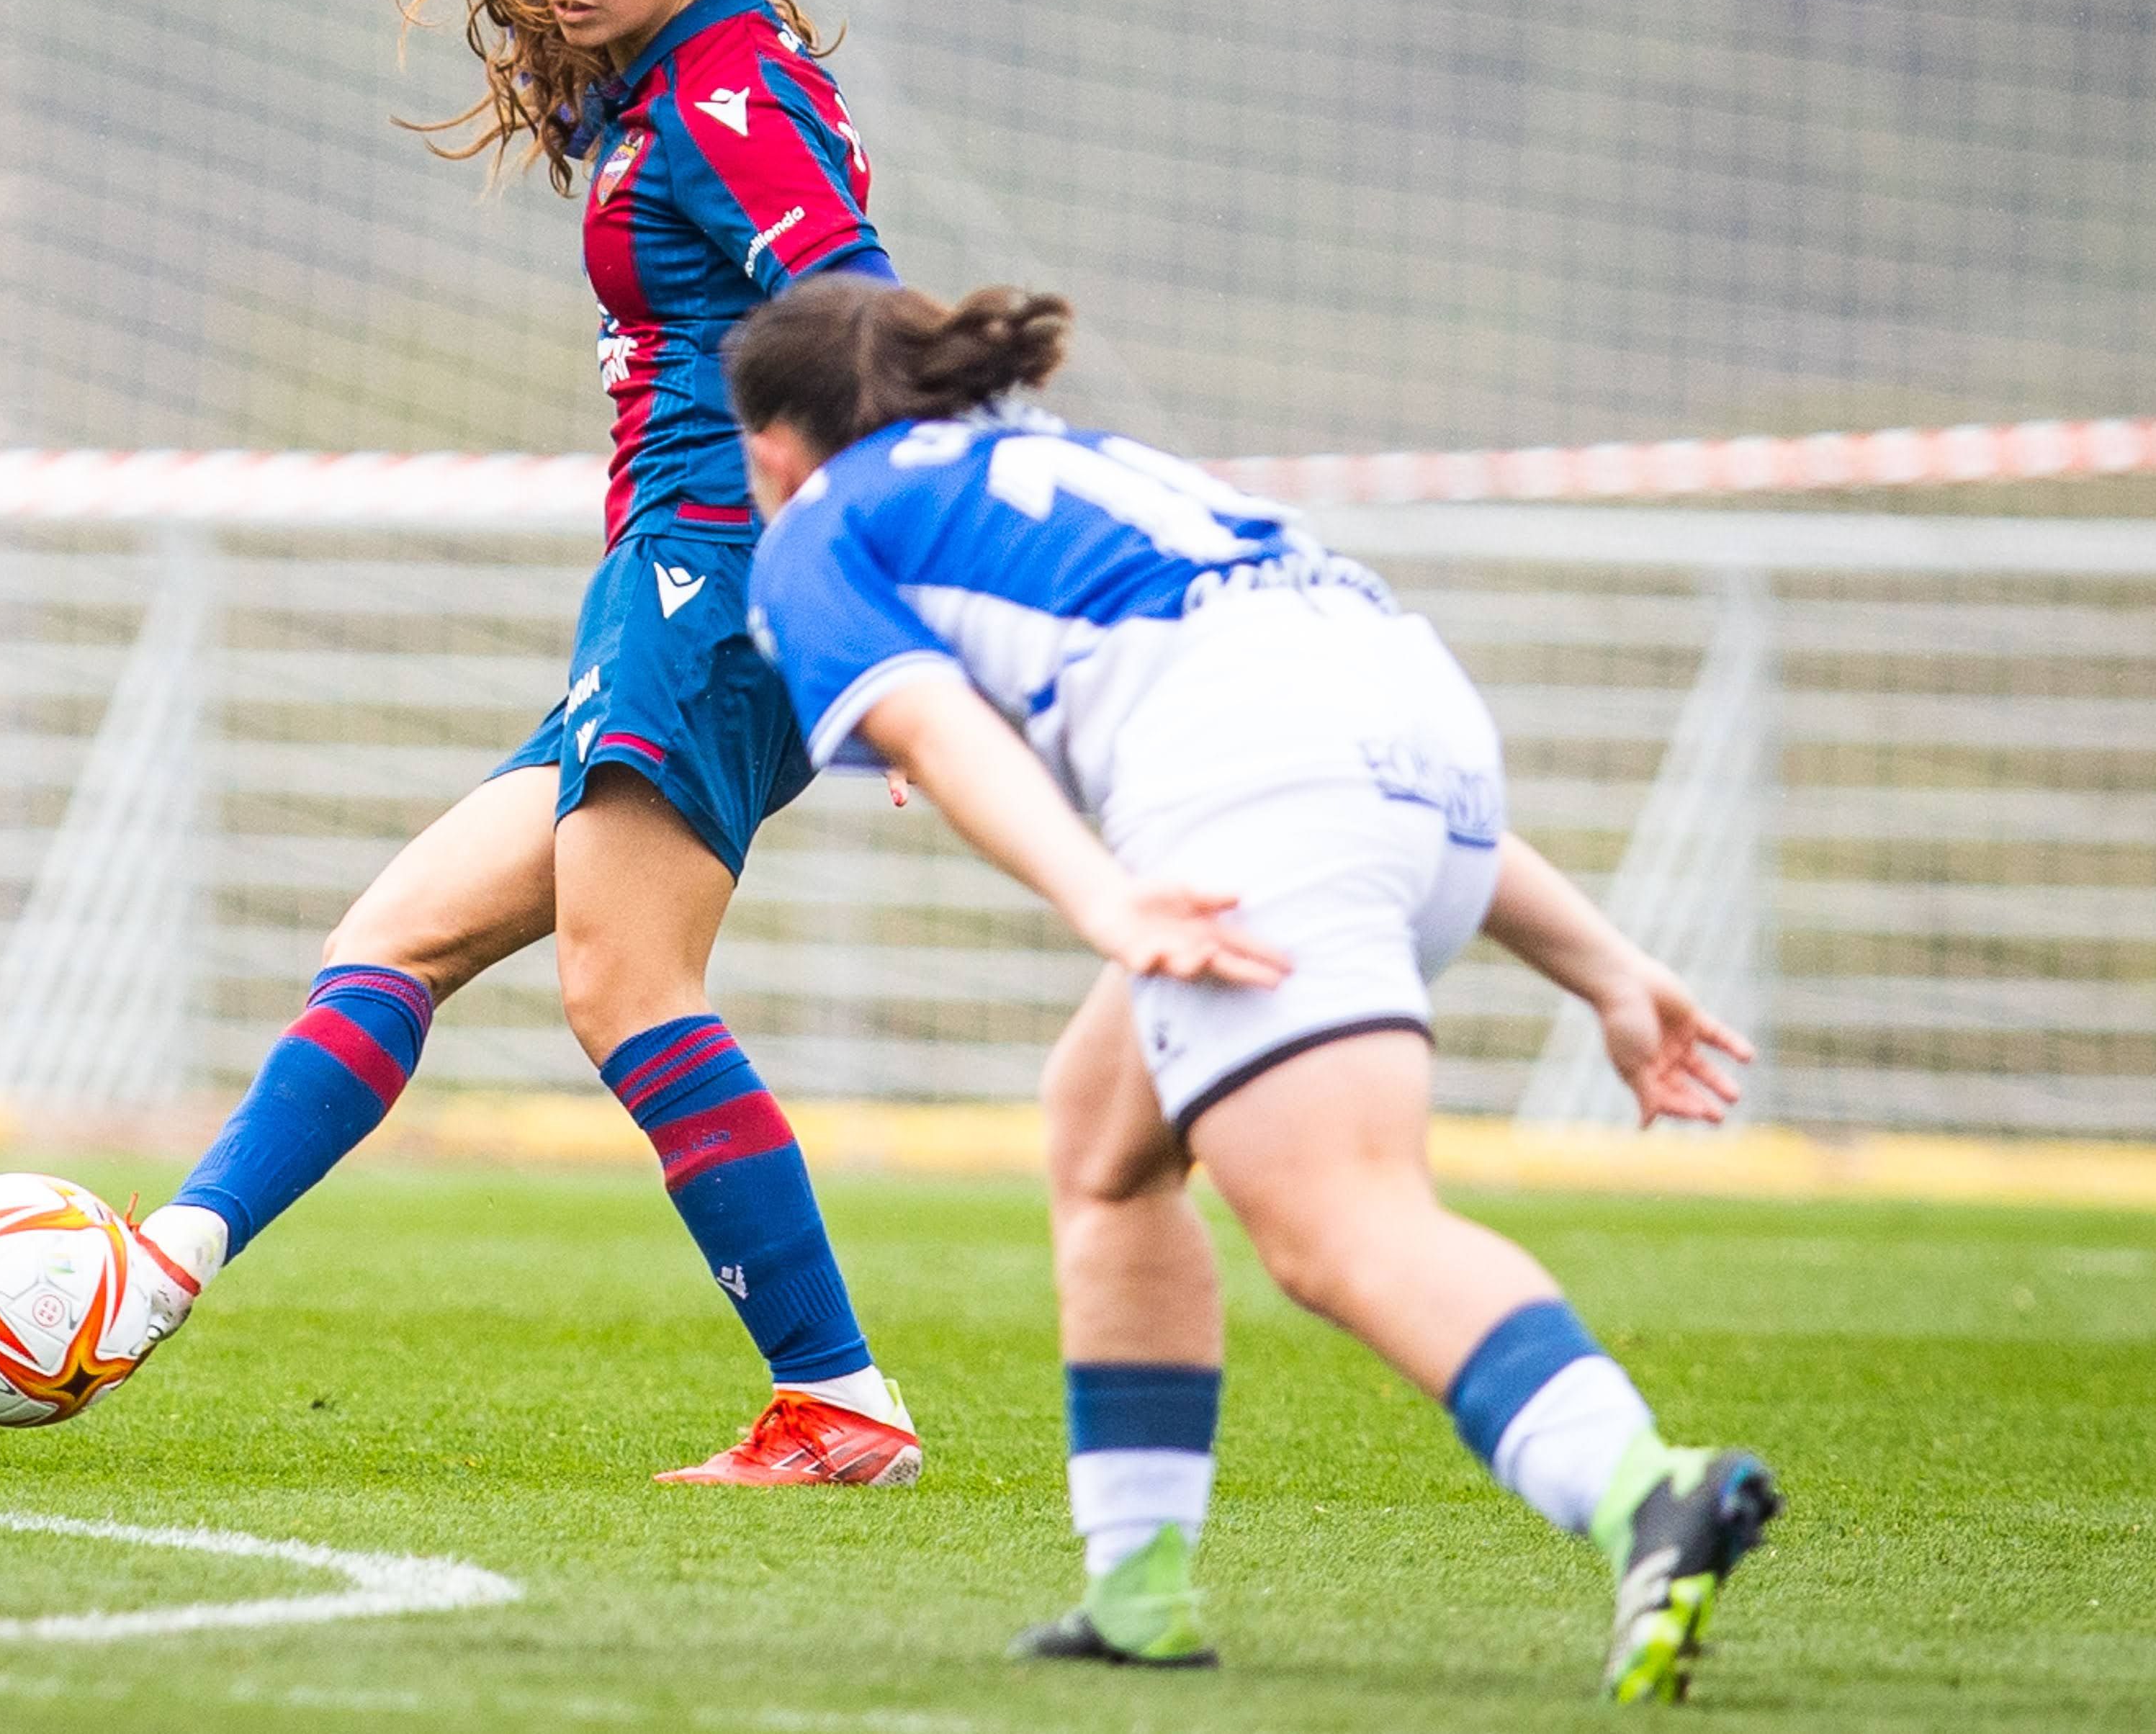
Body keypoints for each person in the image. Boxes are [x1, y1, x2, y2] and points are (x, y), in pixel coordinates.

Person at [722, 272, 1782, 1699]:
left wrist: (1102, 891)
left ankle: (1643, 1485)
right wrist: (1603, 962)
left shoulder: (820, 520)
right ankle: (1136, 1590)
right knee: (1104, 1141)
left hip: (1267, 788)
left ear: (775, 445)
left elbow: (935, 728)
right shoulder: (1090, 464)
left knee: (1341, 1223)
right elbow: (1348, 745)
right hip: (1428, 756)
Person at [125, 0, 925, 1485]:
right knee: (395, 932)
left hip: (717, 584)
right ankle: (149, 1278)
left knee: (622, 986)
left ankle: (841, 1402)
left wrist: (880, 614)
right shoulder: (670, 88)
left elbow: (862, 319)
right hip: (669, 588)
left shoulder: (731, 95)